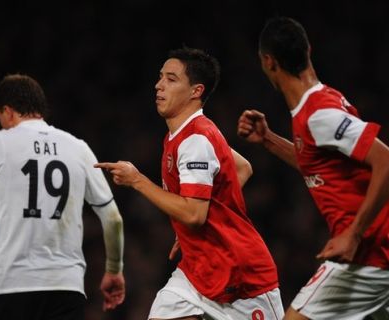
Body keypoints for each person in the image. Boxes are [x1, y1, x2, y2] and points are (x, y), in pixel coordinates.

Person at [237, 16, 389, 320]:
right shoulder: (324, 101)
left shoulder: (319, 114)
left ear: (268, 62)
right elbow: (319, 165)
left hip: (368, 260)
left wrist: (354, 234)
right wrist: (269, 140)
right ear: (308, 50)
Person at [96, 47, 284, 320]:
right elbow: (242, 168)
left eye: (171, 79)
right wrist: (195, 219)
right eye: (160, 77)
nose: (159, 85)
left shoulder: (196, 140)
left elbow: (195, 215)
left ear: (196, 91)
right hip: (197, 271)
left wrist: (137, 180)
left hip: (242, 278)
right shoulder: (189, 132)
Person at [0, 74, 125, 320]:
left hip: (12, 286)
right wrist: (114, 269)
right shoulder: (79, 148)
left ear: (7, 111)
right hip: (66, 290)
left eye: (0, 118)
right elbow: (113, 218)